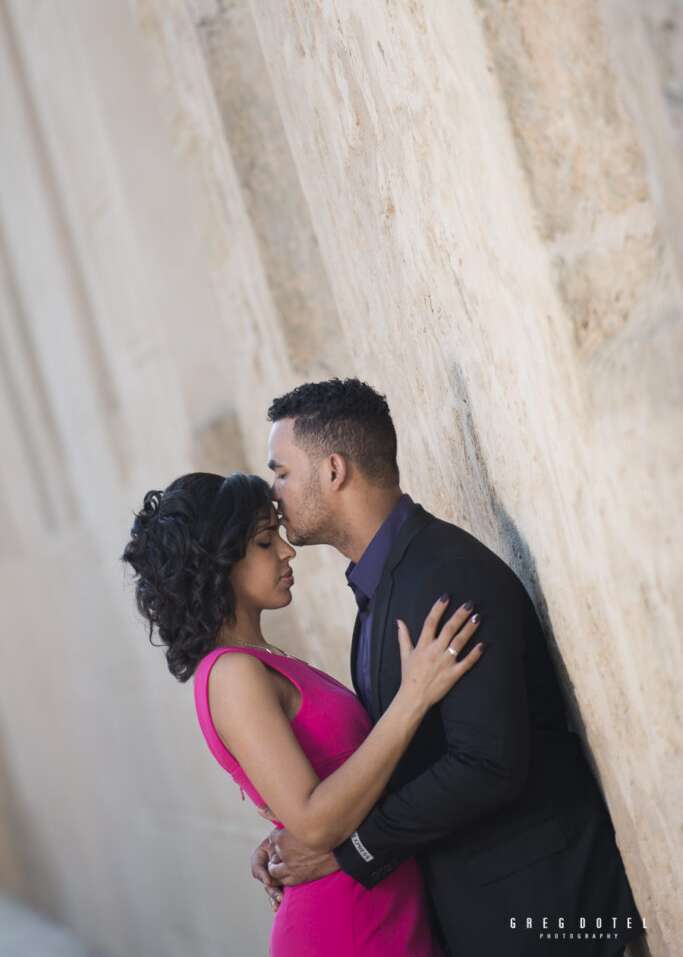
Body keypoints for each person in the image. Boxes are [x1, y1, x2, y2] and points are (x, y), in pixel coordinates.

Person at [252, 378, 643, 957]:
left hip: (544, 911)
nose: (274, 494)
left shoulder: (444, 576)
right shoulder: (382, 589)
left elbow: (487, 764)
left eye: (281, 472)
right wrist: (313, 825)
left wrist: (346, 846)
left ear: (334, 471)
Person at [121, 471, 485, 956]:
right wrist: (412, 697)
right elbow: (315, 822)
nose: (288, 552)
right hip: (345, 925)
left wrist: (280, 835)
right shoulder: (232, 674)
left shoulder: (263, 659)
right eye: (265, 541)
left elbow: (317, 792)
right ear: (219, 562)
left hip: (381, 903)